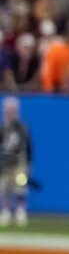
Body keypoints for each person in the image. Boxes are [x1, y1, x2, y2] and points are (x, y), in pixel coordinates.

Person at [0, 96, 31, 225]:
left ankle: (20, 210)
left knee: (20, 187)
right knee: (4, 188)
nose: (11, 113)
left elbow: (28, 146)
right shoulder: (2, 128)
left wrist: (28, 162)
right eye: (8, 110)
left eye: (13, 110)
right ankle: (5, 211)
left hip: (19, 164)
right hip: (4, 164)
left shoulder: (22, 128)